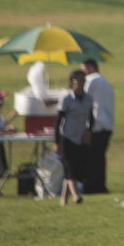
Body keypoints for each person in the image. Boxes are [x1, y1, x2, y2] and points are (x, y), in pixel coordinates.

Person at [54, 69, 93, 205]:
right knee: (70, 167)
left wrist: (88, 132)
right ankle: (76, 195)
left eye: (83, 81)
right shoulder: (66, 98)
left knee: (74, 169)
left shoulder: (88, 98)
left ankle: (63, 198)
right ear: (72, 83)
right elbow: (59, 120)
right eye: (79, 81)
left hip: (80, 137)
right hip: (67, 137)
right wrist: (56, 141)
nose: (81, 84)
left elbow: (91, 118)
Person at [81, 58, 114, 194]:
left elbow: (81, 96)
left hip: (96, 125)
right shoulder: (105, 81)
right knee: (99, 158)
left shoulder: (92, 80)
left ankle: (92, 187)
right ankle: (100, 186)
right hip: (107, 124)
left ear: (90, 67)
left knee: (91, 158)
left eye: (83, 70)